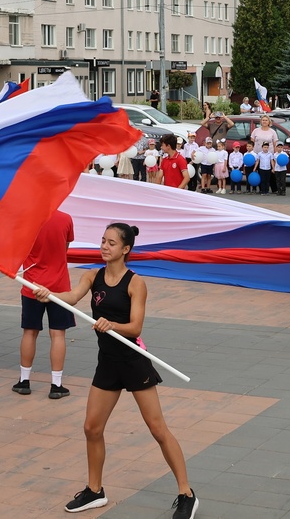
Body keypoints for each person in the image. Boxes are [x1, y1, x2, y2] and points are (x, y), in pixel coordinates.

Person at [33, 222, 197, 519]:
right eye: (102, 240)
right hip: (107, 362)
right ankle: (95, 491)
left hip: (133, 362)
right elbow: (70, 298)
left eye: (111, 243)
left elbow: (135, 327)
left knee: (158, 429)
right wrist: (49, 294)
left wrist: (112, 325)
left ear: (125, 249)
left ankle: (186, 493)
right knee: (91, 428)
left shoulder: (135, 283)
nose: (104, 246)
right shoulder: (92, 276)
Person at [13, 209, 75, 399]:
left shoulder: (27, 217)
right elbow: (65, 248)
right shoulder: (66, 219)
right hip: (59, 286)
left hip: (31, 285)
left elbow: (19, 248)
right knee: (58, 334)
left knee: (30, 332)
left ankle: (24, 380)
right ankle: (56, 384)